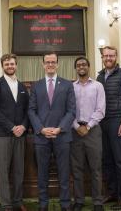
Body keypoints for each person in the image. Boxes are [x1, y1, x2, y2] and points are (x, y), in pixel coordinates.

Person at [28, 52, 76, 211]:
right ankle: (43, 204)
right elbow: (31, 111)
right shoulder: (36, 86)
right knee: (42, 174)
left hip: (62, 136)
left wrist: (59, 128)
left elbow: (71, 111)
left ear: (58, 64)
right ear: (43, 64)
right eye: (47, 62)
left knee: (64, 173)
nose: (50, 64)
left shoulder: (68, 85)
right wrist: (41, 129)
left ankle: (65, 204)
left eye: (53, 62)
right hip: (42, 137)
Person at [0, 54, 29, 211]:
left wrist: (24, 126)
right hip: (3, 134)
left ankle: (18, 201)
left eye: (12, 64)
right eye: (7, 64)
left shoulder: (22, 86)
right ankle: (6, 204)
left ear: (16, 65)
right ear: (2, 66)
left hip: (21, 134)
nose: (10, 66)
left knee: (19, 170)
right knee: (4, 171)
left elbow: (28, 110)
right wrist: (12, 127)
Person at [96, 46, 121, 210]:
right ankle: (112, 193)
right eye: (106, 56)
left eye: (111, 55)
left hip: (118, 121)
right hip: (102, 122)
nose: (108, 58)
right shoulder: (99, 76)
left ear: (116, 56)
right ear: (102, 57)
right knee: (107, 160)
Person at [70, 57, 106, 211]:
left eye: (84, 64)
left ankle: (97, 202)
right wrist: (77, 126)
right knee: (77, 169)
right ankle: (79, 200)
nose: (81, 67)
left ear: (89, 67)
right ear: (76, 69)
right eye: (78, 65)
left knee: (96, 168)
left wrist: (88, 126)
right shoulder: (70, 87)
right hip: (75, 131)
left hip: (93, 131)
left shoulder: (98, 86)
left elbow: (100, 110)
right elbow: (68, 111)